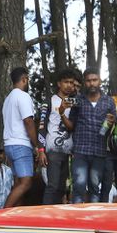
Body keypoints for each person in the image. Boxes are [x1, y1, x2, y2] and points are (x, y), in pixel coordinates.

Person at [59, 68, 116, 203]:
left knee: (94, 188)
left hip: (99, 151)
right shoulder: (78, 101)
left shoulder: (109, 101)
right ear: (84, 83)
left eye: (94, 80)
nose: (92, 83)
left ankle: (93, 220)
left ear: (100, 81)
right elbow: (71, 126)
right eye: (89, 81)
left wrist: (112, 123)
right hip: (80, 151)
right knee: (78, 187)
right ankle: (77, 220)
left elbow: (113, 129)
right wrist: (61, 112)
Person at [0, 66, 40, 208]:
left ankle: (15, 215)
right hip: (21, 144)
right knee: (26, 182)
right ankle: (3, 214)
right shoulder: (23, 96)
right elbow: (28, 121)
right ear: (24, 79)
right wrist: (36, 145)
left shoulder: (8, 99)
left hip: (9, 144)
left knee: (18, 182)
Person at [42, 68, 78, 204]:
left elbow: (75, 126)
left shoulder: (74, 102)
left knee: (63, 188)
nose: (69, 85)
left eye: (71, 83)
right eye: (66, 82)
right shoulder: (50, 101)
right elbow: (41, 126)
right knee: (53, 186)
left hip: (68, 151)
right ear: (59, 84)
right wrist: (40, 150)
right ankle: (45, 218)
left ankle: (56, 217)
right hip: (52, 150)